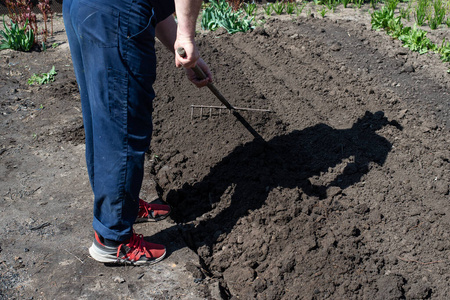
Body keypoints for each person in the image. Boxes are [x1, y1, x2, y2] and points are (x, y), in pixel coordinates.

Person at [63, 0, 212, 265]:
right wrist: (187, 36)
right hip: (116, 13)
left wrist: (183, 51)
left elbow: (160, 5)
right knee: (122, 123)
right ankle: (113, 240)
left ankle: (121, 207)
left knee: (102, 117)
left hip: (85, 8)